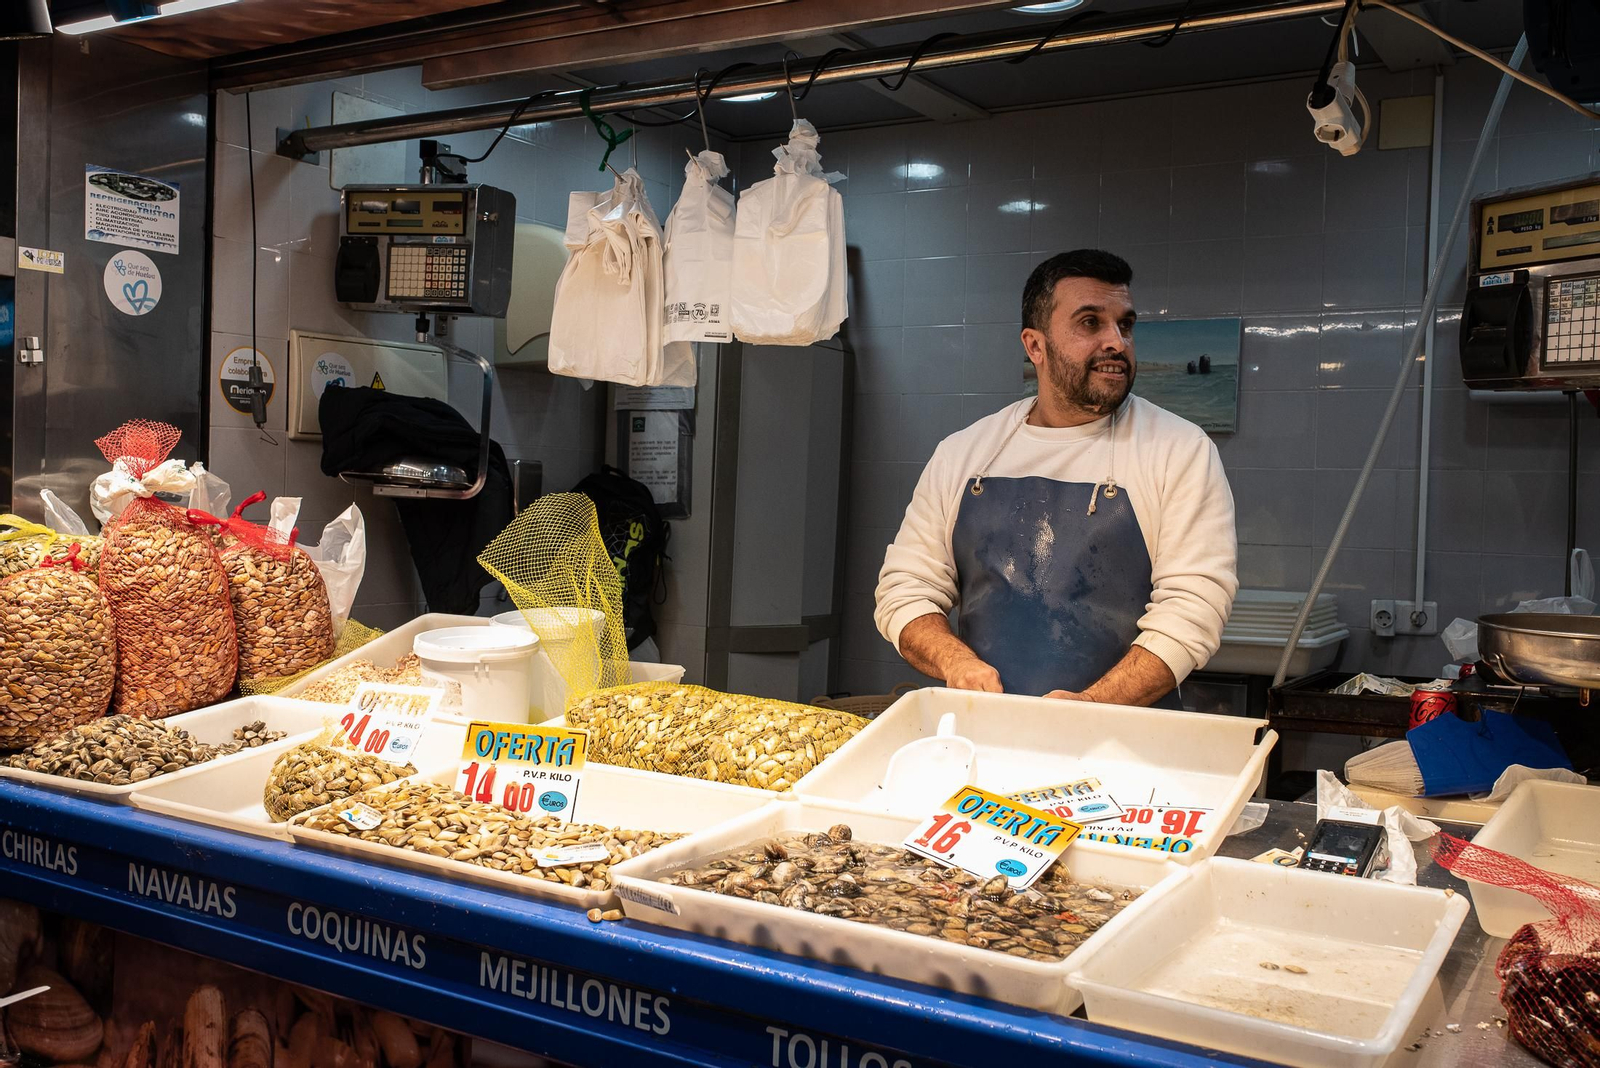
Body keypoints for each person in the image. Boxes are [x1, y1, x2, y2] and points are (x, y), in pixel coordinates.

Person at [873, 249, 1236, 708]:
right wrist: (955, 662)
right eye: (1090, 323)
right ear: (1035, 346)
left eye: (1125, 325)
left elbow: (1193, 609)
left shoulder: (1180, 450)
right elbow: (905, 588)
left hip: (1128, 745)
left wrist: (1091, 706)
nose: (1117, 343)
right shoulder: (964, 453)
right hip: (988, 730)